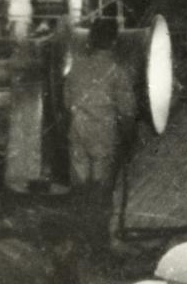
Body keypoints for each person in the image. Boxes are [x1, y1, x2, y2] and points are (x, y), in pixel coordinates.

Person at [63, 17, 136, 242]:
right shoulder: (117, 71)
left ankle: (78, 242)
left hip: (77, 133)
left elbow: (67, 102)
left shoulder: (76, 66)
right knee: (102, 192)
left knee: (80, 190)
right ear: (114, 41)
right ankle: (98, 244)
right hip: (103, 137)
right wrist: (129, 138)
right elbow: (127, 111)